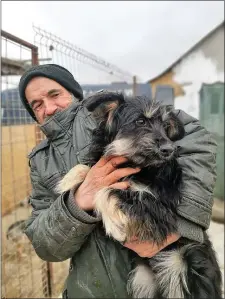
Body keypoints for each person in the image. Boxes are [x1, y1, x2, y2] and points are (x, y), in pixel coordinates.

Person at [19, 64, 217, 298]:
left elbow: (198, 139)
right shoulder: (40, 160)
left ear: (72, 93)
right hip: (91, 289)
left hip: (173, 263)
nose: (49, 108)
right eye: (37, 104)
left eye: (54, 94)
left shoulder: (112, 109)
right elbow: (45, 244)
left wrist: (182, 224)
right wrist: (77, 202)